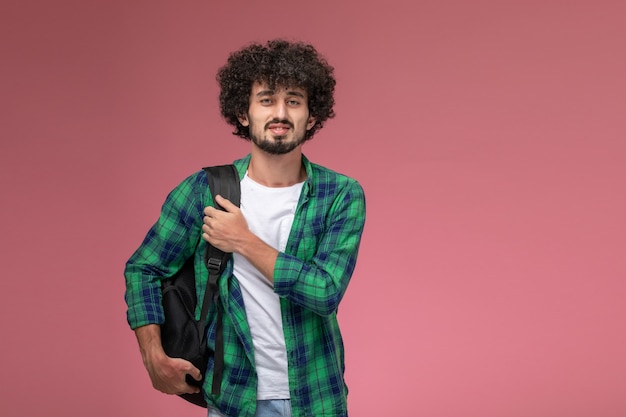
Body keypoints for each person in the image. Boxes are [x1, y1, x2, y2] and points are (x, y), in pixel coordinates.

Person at [124, 39, 366, 417]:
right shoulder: (205, 190)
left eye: (294, 100)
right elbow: (144, 269)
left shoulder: (340, 194)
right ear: (243, 113)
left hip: (317, 398)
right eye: (267, 99)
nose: (280, 113)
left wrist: (243, 240)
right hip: (234, 398)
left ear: (313, 116)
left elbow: (324, 291)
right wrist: (153, 357)